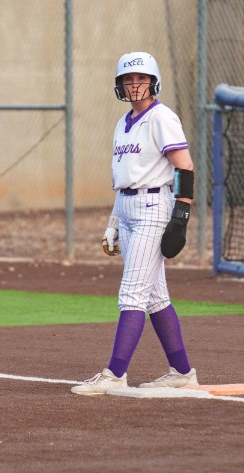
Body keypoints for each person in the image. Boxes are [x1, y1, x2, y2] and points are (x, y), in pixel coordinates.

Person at [72, 52, 198, 395]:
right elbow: (124, 179)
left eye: (141, 78)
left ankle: (114, 374)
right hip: (127, 207)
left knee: (132, 293)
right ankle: (182, 372)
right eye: (128, 79)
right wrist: (113, 223)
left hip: (153, 206)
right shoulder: (122, 123)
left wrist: (181, 217)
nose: (134, 84)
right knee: (155, 297)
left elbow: (184, 167)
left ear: (153, 82)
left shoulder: (161, 117)